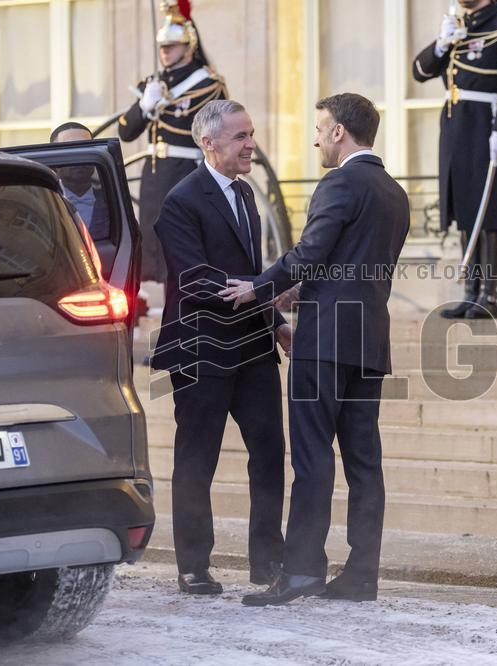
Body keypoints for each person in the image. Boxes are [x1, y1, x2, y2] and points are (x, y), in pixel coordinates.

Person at [223, 93, 411, 607]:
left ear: (339, 133)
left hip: (325, 341)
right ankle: (362, 575)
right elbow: (359, 267)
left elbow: (310, 253)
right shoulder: (394, 192)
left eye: (320, 128)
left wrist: (261, 287)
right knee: (364, 463)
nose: (314, 138)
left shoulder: (339, 182)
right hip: (369, 339)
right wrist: (301, 290)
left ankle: (303, 572)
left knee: (312, 459)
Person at [152, 100, 290, 595]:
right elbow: (196, 279)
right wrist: (269, 293)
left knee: (270, 452)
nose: (250, 143)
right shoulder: (180, 201)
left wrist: (274, 322)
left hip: (252, 347)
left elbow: (248, 270)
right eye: (239, 136)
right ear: (207, 143)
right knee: (196, 459)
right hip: (200, 349)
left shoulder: (246, 195)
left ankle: (268, 563)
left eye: (250, 133)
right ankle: (193, 565)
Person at [412, 0, 497, 319]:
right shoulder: (461, 27)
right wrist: (441, 44)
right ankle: (470, 292)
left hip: (485, 124)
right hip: (456, 125)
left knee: (487, 213)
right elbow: (420, 71)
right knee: (466, 210)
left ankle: (488, 296)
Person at [118, 0, 228, 284]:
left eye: (172, 46)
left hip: (185, 168)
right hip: (155, 171)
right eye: (162, 47)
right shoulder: (154, 84)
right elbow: (126, 132)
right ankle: (154, 295)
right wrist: (144, 106)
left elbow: (215, 129)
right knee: (152, 233)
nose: (165, 52)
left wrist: (161, 105)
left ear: (189, 46)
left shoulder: (207, 85)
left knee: (181, 236)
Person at [50, 122, 110, 240]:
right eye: (68, 151)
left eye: (84, 150)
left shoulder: (112, 201)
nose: (78, 158)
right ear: (54, 158)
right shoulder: (45, 203)